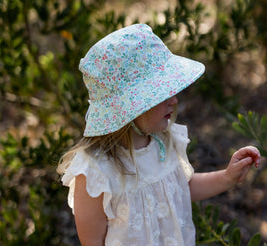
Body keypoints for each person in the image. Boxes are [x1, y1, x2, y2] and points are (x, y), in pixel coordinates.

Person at [57, 24, 261, 246]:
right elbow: (92, 241)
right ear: (129, 108)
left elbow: (182, 188)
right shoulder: (96, 172)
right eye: (161, 94)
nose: (174, 99)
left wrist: (227, 177)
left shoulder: (164, 141)